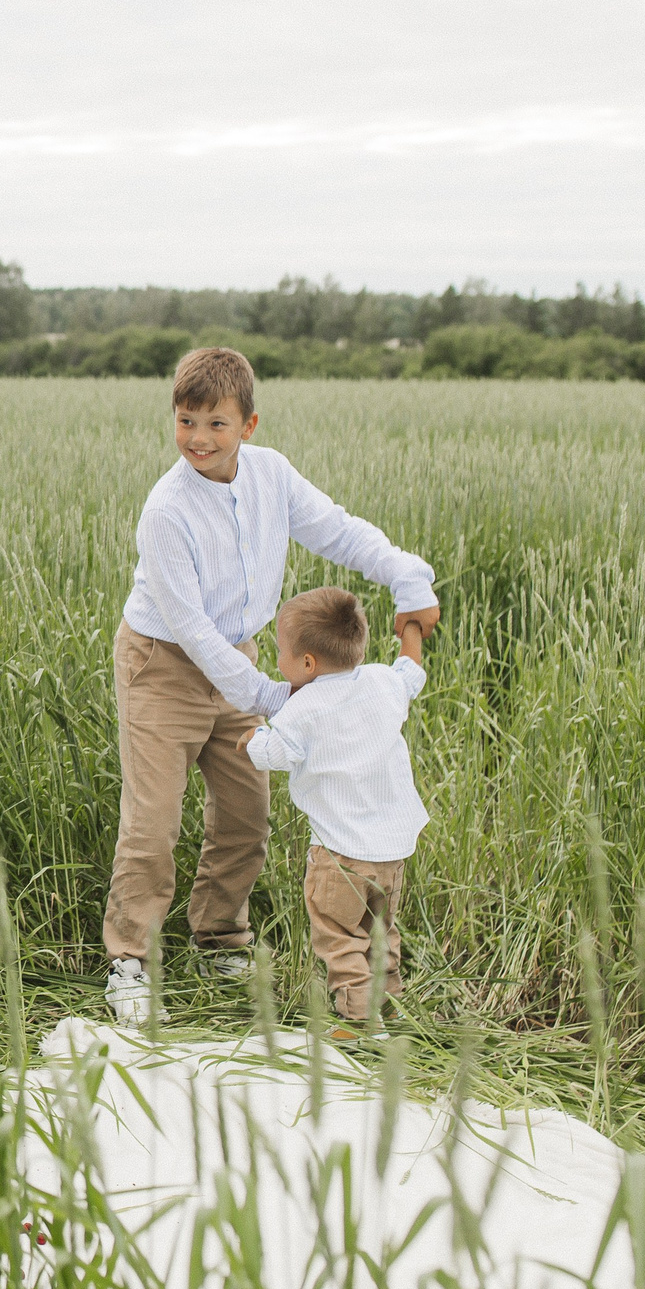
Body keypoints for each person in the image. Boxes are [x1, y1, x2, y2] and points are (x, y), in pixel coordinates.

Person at [103, 347, 439, 1028]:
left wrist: (408, 575)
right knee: (153, 823)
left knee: (245, 817)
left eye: (216, 424)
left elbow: (339, 531)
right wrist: (270, 695)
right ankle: (129, 958)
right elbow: (191, 630)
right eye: (186, 419)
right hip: (164, 664)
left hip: (245, 661)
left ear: (249, 425)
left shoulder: (272, 475)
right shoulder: (165, 510)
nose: (198, 437)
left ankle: (219, 936)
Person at [242, 588, 430, 1041]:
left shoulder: (304, 708)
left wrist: (246, 736)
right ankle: (389, 1005)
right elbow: (413, 667)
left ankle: (358, 1021)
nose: (278, 662)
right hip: (391, 853)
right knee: (381, 931)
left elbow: (270, 753)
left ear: (307, 664)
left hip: (340, 856)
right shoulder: (383, 681)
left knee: (340, 936)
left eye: (281, 654)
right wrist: (412, 626)